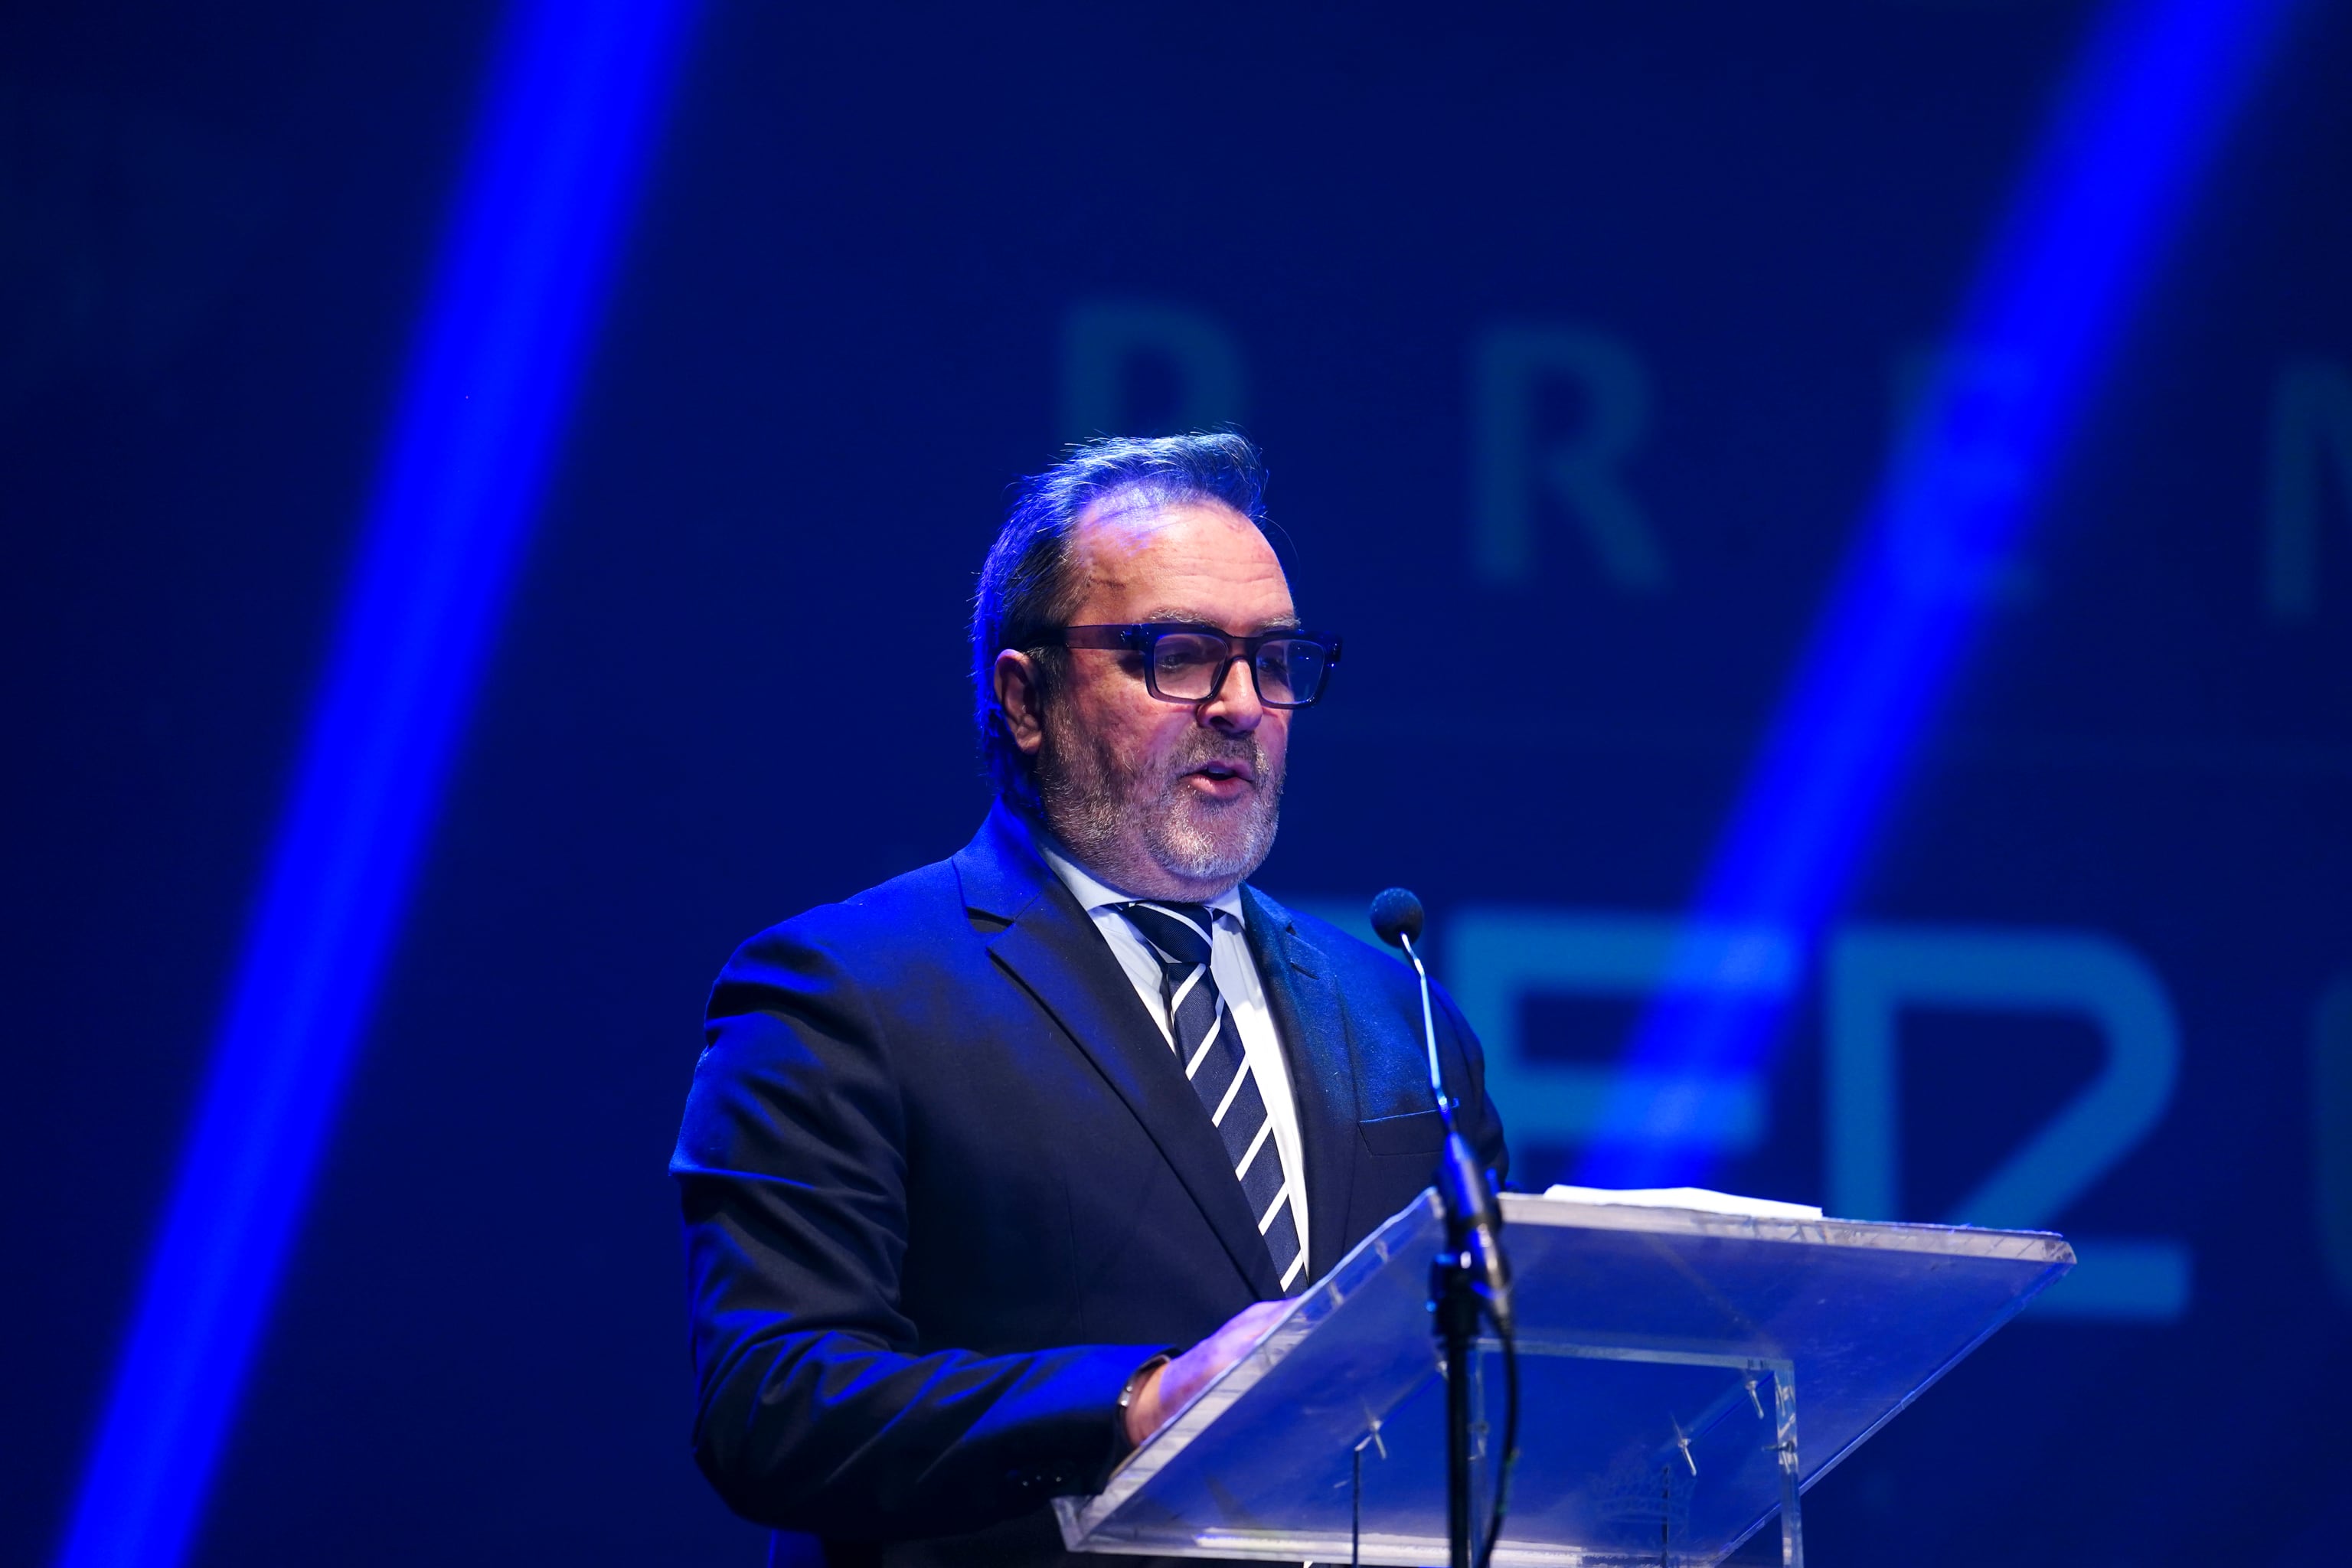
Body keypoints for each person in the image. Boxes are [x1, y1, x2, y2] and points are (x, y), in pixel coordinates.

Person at [672, 432, 1508, 1568]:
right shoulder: (846, 992)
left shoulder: (1399, 1013)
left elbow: (1486, 1382)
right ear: (1025, 697)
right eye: (1180, 655)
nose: (1240, 705)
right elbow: (773, 1403)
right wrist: (1138, 1405)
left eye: (1273, 661)